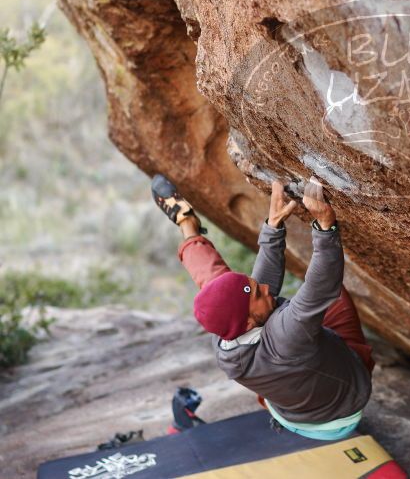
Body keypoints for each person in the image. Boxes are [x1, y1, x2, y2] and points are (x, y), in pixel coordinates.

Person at [151, 174, 374, 440]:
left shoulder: (226, 332)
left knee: (214, 281)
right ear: (247, 322)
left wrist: (274, 226)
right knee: (333, 297)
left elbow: (222, 281)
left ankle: (186, 223)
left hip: (288, 410)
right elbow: (321, 287)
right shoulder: (285, 336)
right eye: (257, 292)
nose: (266, 288)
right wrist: (325, 227)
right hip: (341, 410)